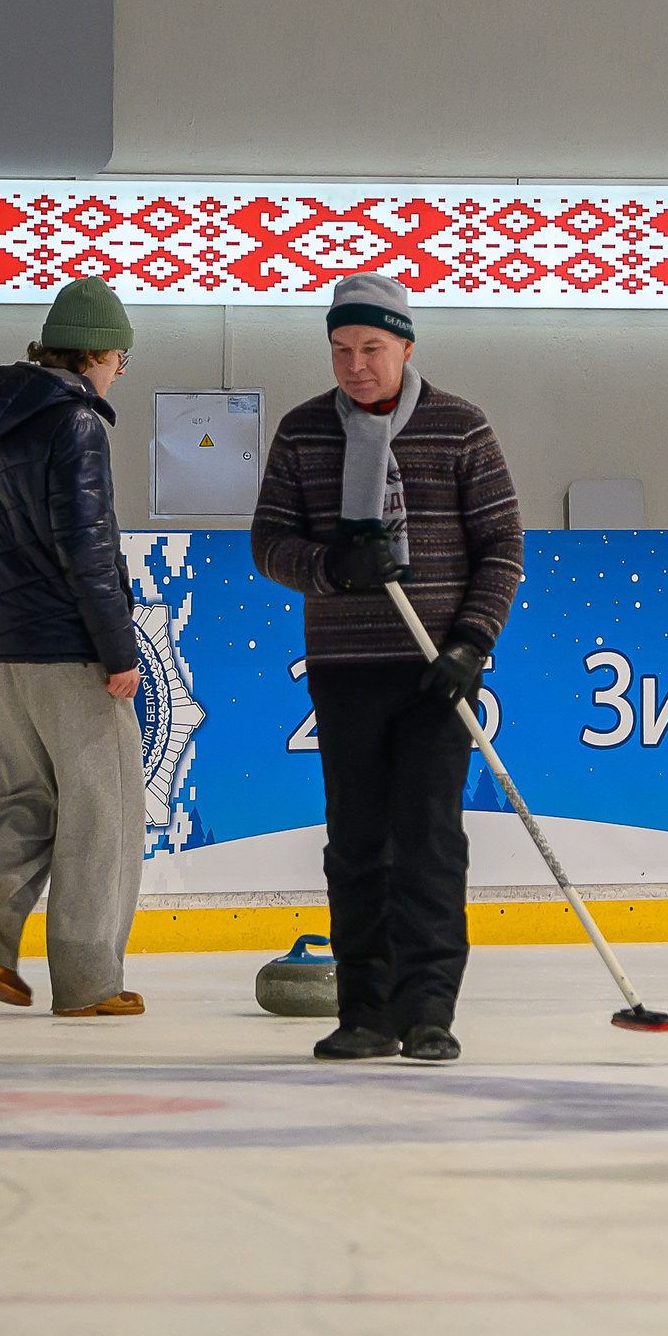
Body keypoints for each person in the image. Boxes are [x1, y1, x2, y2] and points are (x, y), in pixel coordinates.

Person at [252, 275, 524, 1064]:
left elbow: (502, 546)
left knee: (431, 841)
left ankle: (430, 1009)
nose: (356, 364)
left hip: (436, 671)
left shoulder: (459, 428)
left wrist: (472, 643)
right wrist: (332, 565)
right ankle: (365, 1011)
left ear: (406, 345)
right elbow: (269, 544)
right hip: (346, 669)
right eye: (341, 349)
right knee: (358, 843)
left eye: (372, 348)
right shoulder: (306, 432)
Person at [0, 278, 146, 1018]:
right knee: (103, 810)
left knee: (29, 797)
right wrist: (118, 648)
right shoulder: (76, 424)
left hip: (1, 647)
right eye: (119, 357)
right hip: (68, 646)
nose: (119, 372)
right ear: (94, 353)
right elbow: (88, 548)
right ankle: (88, 981)